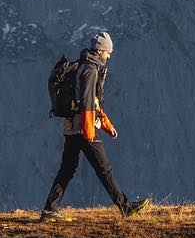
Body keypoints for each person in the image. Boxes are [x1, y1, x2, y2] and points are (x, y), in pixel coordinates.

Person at [41, 30, 149, 219]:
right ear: (100, 51)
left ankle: (50, 209)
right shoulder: (90, 70)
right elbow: (88, 102)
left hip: (73, 126)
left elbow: (94, 102)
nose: (109, 56)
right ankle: (126, 207)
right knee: (104, 168)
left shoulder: (85, 66)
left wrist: (107, 125)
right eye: (108, 52)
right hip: (84, 127)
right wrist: (90, 133)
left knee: (67, 169)